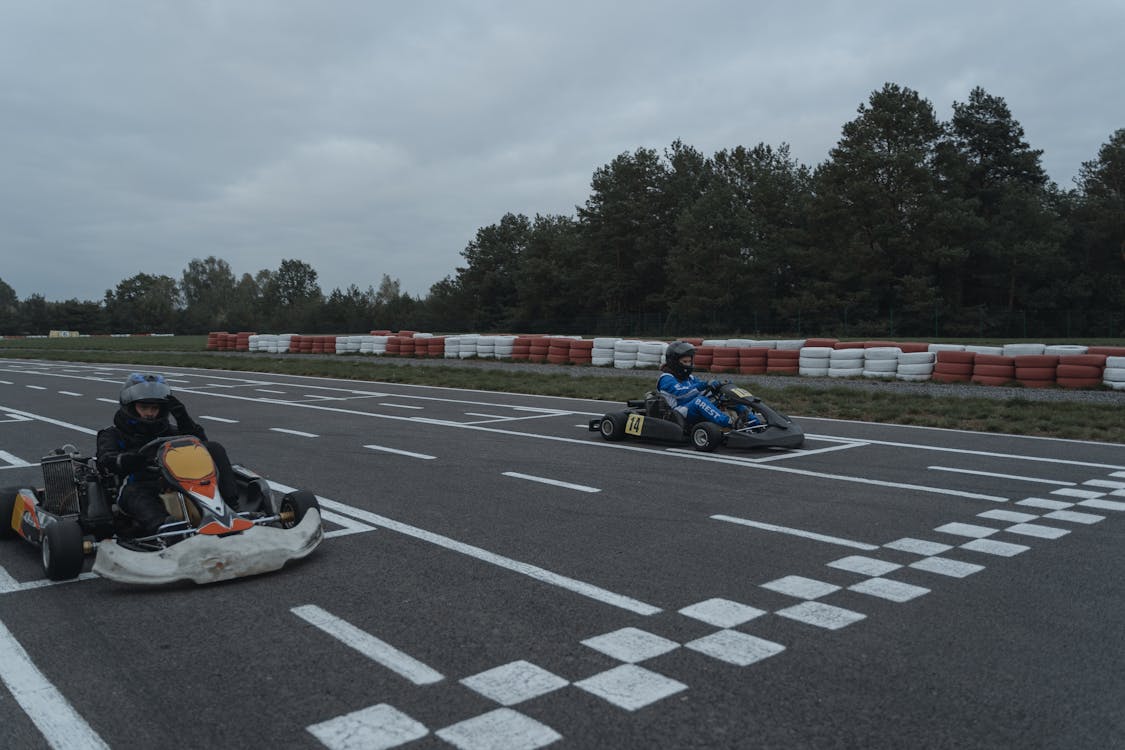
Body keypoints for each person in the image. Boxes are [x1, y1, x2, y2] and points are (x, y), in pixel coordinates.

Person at [96, 373, 240, 536]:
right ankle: (166, 529)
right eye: (144, 408)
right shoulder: (113, 434)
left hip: (179, 483)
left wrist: (183, 418)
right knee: (137, 495)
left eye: (154, 408)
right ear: (130, 407)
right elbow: (105, 460)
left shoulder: (168, 430)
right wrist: (132, 460)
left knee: (214, 448)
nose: (150, 413)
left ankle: (231, 509)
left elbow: (201, 445)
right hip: (138, 485)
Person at [657, 341, 757, 429]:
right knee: (700, 401)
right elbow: (681, 393)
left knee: (725, 398)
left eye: (690, 361)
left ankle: (755, 422)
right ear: (674, 362)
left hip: (691, 409)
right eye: (685, 362)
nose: (688, 364)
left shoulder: (689, 378)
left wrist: (718, 388)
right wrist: (704, 385)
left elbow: (702, 391)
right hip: (677, 413)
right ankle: (730, 422)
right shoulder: (666, 378)